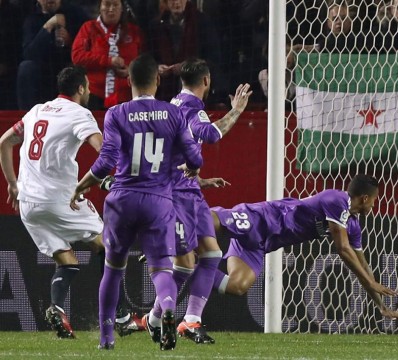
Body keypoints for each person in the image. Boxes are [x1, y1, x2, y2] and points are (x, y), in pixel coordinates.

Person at [70, 54, 202, 350]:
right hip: (158, 202)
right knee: (162, 269)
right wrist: (191, 166)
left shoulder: (117, 113)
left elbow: (106, 162)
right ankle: (167, 310)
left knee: (113, 270)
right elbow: (195, 157)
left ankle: (106, 339)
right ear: (158, 80)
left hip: (123, 200)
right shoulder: (173, 114)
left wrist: (81, 185)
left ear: (128, 81)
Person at [143, 58, 251, 344]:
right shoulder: (192, 107)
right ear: (206, 81)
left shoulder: (172, 104)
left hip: (189, 190)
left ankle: (190, 320)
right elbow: (210, 134)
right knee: (184, 264)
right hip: (177, 195)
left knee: (212, 255)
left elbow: (173, 149)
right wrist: (236, 111)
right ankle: (155, 318)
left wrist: (199, 179)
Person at [210, 174, 398, 322]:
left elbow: (363, 265)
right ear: (365, 198)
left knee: (238, 286)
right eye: (374, 201)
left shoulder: (353, 226)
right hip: (263, 218)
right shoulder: (337, 200)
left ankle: (192, 266)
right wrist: (371, 282)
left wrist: (382, 306)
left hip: (261, 244)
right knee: (212, 219)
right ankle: (183, 226)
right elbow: (342, 249)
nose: (374, 206)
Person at [0, 66, 103, 339]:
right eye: (88, 86)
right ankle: (119, 315)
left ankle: (57, 308)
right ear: (80, 88)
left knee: (67, 261)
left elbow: (4, 142)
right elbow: (103, 150)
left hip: (28, 204)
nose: (90, 91)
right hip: (59, 200)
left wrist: (12, 184)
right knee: (109, 247)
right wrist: (100, 179)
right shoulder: (80, 114)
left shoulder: (37, 110)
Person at [145, 0, 226, 102]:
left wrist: (188, 67)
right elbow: (148, 57)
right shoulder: (155, 25)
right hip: (164, 91)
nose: (177, 2)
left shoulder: (202, 22)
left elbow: (213, 58)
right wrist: (157, 67)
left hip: (196, 90)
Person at [71, 0, 143, 110]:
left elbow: (144, 61)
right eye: (107, 4)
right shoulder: (89, 28)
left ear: (122, 8)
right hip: (94, 96)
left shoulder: (134, 31)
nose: (111, 9)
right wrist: (108, 61)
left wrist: (131, 70)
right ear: (100, 7)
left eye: (115, 5)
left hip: (127, 98)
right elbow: (77, 56)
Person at [17, 0, 89, 110]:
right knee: (26, 67)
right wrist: (47, 27)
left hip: (68, 66)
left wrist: (70, 41)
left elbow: (89, 45)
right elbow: (29, 54)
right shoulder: (31, 18)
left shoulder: (76, 13)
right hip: (43, 70)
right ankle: (28, 119)